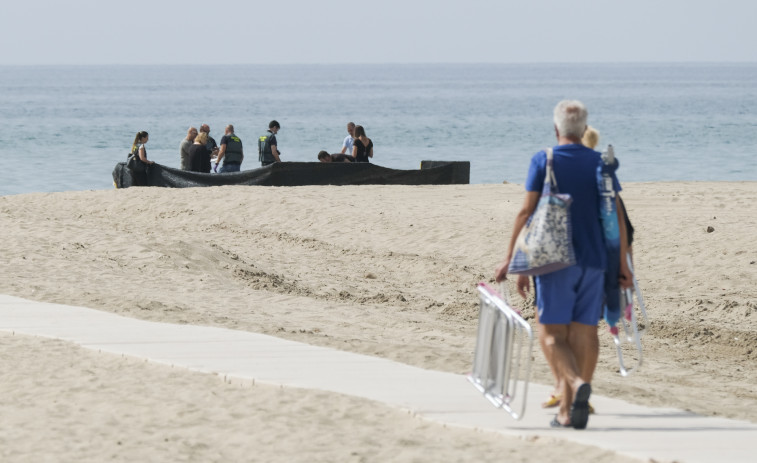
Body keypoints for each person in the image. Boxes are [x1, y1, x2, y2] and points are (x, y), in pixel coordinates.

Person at [494, 100, 632, 430]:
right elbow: (618, 218)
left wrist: (511, 258)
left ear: (557, 129)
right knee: (584, 333)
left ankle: (574, 382)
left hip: (554, 261)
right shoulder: (602, 163)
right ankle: (567, 411)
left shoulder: (545, 159)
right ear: (585, 130)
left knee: (552, 334)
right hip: (595, 260)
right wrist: (624, 263)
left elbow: (526, 212)